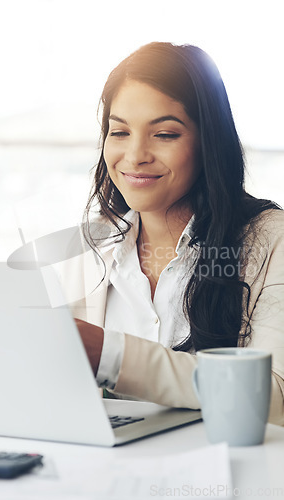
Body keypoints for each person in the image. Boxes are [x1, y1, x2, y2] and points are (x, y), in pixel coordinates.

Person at [68, 42, 284, 425]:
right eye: (119, 132)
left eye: (164, 134)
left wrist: (111, 355)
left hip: (231, 477)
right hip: (109, 475)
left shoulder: (272, 240)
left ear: (208, 143)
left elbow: (274, 399)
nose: (135, 155)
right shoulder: (90, 248)